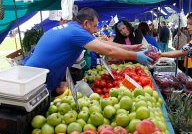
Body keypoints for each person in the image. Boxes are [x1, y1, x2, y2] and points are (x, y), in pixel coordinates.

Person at [24, 8, 152, 92]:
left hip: (36, 74)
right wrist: (135, 56)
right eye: (95, 26)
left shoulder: (72, 28)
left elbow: (103, 42)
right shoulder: (76, 32)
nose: (96, 30)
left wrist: (129, 48)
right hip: (35, 80)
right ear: (86, 23)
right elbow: (108, 51)